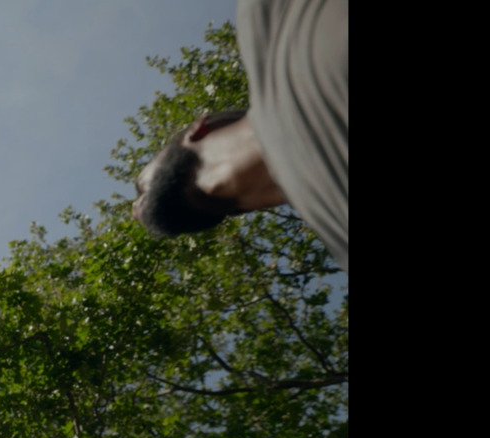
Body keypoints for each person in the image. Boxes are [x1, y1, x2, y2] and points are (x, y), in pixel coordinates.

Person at [132, 0, 347, 271]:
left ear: (198, 128)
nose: (133, 210)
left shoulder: (267, 21)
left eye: (139, 184)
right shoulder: (341, 232)